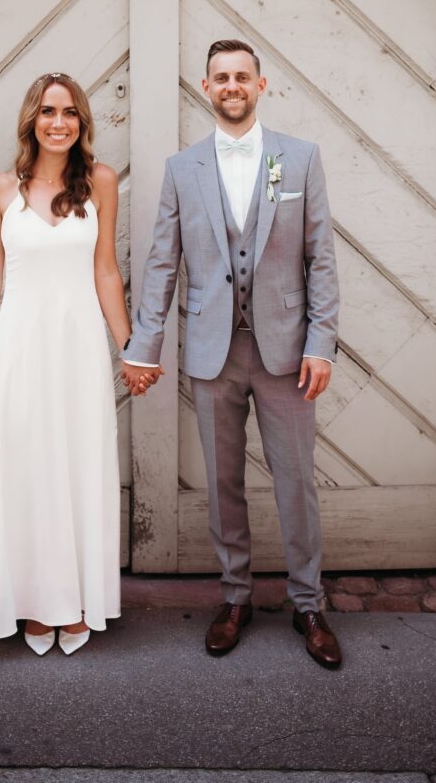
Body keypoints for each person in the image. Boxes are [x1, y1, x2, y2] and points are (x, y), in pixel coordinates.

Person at [122, 40, 342, 669]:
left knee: (297, 483)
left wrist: (321, 342)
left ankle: (308, 603)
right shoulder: (181, 168)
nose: (232, 85)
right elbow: (163, 262)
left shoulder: (300, 159)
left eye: (242, 76)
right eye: (221, 77)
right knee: (223, 486)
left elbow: (320, 257)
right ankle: (235, 597)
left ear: (261, 84)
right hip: (213, 351)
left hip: (288, 353)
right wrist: (145, 343)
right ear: (206, 86)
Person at [0, 72, 153, 654]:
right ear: (32, 121)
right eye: (48, 111)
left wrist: (132, 349)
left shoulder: (101, 182)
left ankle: (77, 600)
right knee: (26, 468)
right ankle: (35, 603)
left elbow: (106, 273)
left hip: (78, 346)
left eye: (70, 112)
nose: (59, 122)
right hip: (20, 345)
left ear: (83, 123)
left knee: (77, 464)